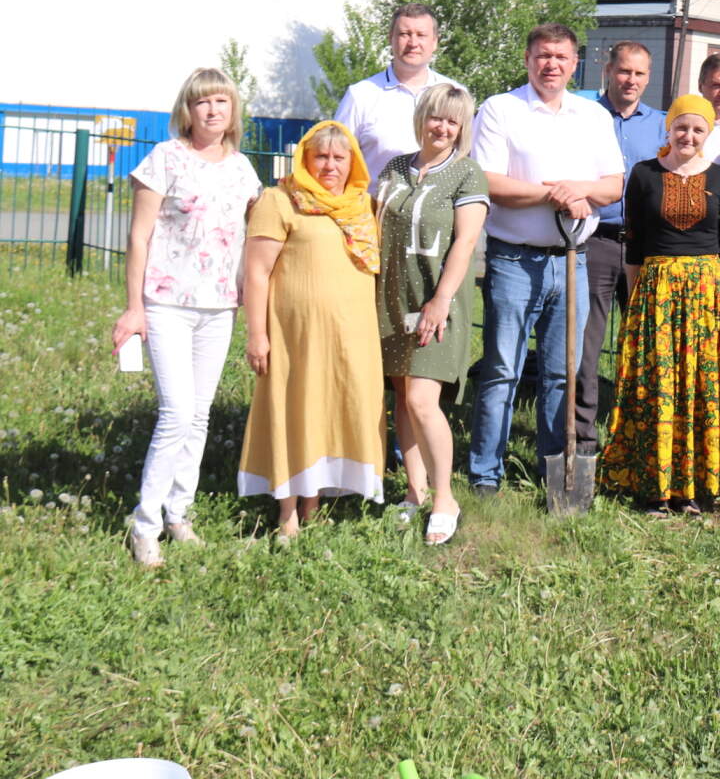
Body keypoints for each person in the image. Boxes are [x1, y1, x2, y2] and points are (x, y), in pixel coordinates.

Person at [112, 67, 262, 567]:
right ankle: (146, 524)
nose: (212, 111)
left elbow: (259, 232)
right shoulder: (164, 159)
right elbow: (138, 237)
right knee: (175, 413)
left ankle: (180, 512)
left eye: (221, 102)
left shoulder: (243, 169)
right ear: (188, 110)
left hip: (218, 306)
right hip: (167, 303)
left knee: (198, 416)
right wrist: (135, 308)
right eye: (202, 103)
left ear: (232, 110)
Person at [468, 24, 624, 495]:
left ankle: (556, 472)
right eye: (542, 55)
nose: (551, 64)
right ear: (527, 58)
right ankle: (485, 475)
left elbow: (612, 185)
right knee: (502, 370)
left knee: (563, 374)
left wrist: (579, 191)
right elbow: (491, 182)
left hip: (572, 261)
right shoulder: (501, 109)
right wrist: (558, 194)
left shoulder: (592, 115)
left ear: (575, 63)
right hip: (513, 261)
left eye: (560, 56)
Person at [600, 95, 720, 514]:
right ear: (668, 129)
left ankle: (694, 488)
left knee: (702, 387)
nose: (688, 136)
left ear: (707, 135)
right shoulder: (644, 174)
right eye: (681, 127)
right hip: (657, 291)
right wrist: (635, 302)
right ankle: (656, 486)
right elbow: (633, 243)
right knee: (659, 385)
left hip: (707, 294)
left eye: (698, 130)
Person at [239, 121, 385, 537]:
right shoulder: (280, 200)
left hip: (352, 337)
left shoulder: (364, 206)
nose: (330, 165)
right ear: (304, 159)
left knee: (333, 410)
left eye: (340, 158)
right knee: (295, 410)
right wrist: (257, 334)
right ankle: (287, 513)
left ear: (353, 162)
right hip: (294, 336)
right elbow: (256, 272)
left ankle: (314, 504)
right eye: (320, 156)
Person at [373, 84, 489, 545]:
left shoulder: (467, 174)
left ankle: (445, 498)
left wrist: (440, 300)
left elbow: (464, 242)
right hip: (389, 298)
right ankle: (414, 491)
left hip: (435, 299)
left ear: (461, 129)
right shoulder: (396, 166)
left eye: (452, 121)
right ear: (422, 116)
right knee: (401, 397)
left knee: (423, 399)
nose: (441, 127)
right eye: (436, 117)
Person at [579, 42, 666, 456]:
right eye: (624, 71)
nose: (631, 81)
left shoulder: (663, 126)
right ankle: (584, 438)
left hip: (646, 249)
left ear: (648, 77)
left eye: (639, 74)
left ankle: (637, 436)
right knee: (587, 346)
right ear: (609, 71)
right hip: (596, 241)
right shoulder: (584, 118)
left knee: (644, 346)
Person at [335, 3, 458, 182]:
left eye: (421, 35)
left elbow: (468, 157)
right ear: (390, 38)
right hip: (375, 207)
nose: (413, 43)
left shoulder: (455, 93)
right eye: (404, 34)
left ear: (435, 42)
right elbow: (337, 156)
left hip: (440, 208)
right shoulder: (360, 95)